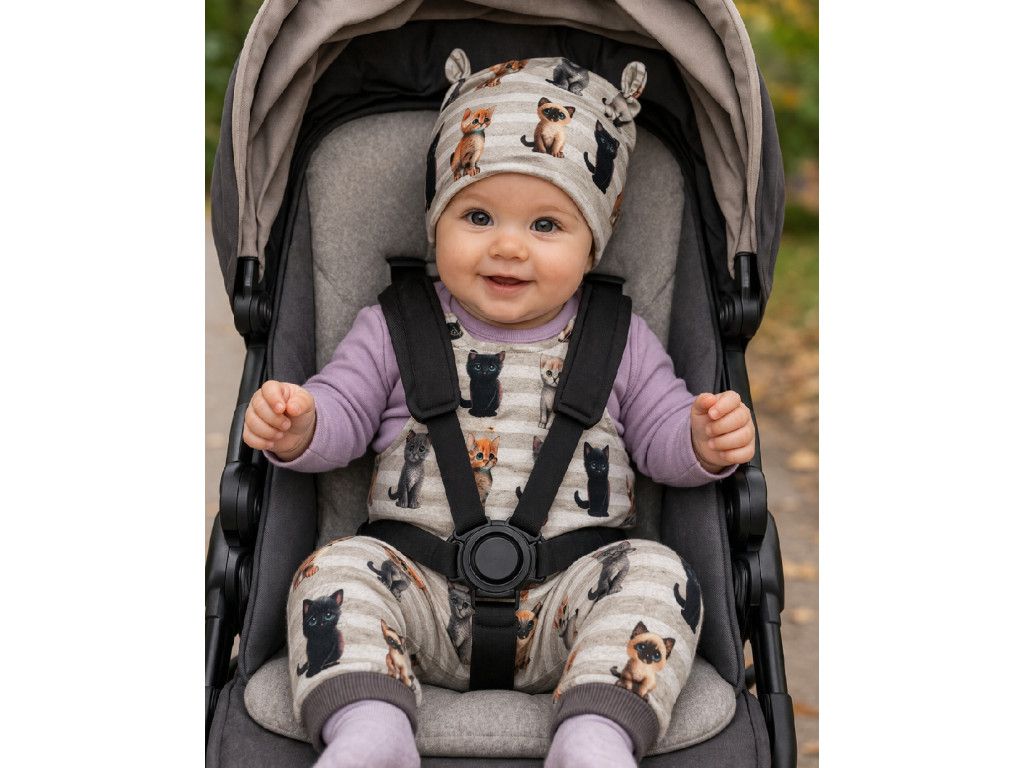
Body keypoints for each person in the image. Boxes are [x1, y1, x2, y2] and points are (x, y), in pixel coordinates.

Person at [242, 50, 755, 768]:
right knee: (331, 570)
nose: (508, 246)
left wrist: (700, 439)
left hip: (574, 601)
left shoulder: (619, 339)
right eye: (478, 216)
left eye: (547, 226)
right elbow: (345, 412)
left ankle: (596, 737)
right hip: (416, 594)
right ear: (435, 226)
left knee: (658, 574)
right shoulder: (395, 325)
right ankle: (371, 730)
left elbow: (660, 436)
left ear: (593, 244)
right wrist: (301, 424)